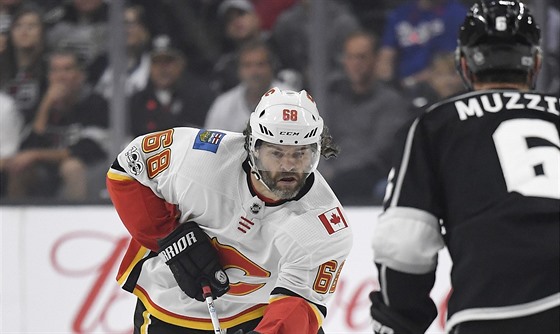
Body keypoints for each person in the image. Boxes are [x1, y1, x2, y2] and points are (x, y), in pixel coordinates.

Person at [369, 1, 559, 334]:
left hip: (492, 308)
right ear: (536, 64)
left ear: (464, 65)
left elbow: (406, 242)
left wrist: (398, 319)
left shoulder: (436, 123)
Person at [106, 87, 352, 333]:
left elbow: (299, 305)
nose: (288, 165)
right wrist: (168, 237)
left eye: (300, 154)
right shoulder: (199, 158)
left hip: (261, 311)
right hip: (174, 309)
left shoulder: (324, 226)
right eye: (276, 153)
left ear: (317, 150)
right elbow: (127, 167)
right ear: (253, 146)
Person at [319, 30, 412, 205]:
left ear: (375, 60)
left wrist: (337, 169)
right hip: (333, 175)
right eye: (350, 57)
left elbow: (379, 151)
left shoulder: (391, 102)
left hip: (371, 176)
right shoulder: (332, 100)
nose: (355, 64)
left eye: (361, 57)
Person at [4, 48, 109, 201]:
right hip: (48, 172)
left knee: (71, 167)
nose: (60, 77)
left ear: (80, 76)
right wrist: (45, 106)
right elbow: (27, 149)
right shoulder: (41, 102)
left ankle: (75, 222)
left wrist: (37, 155)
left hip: (91, 170)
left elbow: (88, 149)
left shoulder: (95, 103)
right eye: (55, 70)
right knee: (20, 167)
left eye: (67, 69)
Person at [128, 34, 214, 137]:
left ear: (181, 64)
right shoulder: (137, 102)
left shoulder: (200, 97)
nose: (163, 69)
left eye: (168, 61)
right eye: (157, 62)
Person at [204, 39, 293, 132]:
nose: (254, 72)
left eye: (260, 64)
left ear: (272, 67)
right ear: (239, 70)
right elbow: (209, 144)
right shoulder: (223, 105)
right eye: (247, 65)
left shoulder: (291, 100)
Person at [375, 0, 467, 89]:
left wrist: (414, 81)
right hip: (403, 87)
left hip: (437, 83)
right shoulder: (400, 15)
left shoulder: (457, 13)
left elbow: (450, 60)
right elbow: (386, 55)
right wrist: (386, 82)